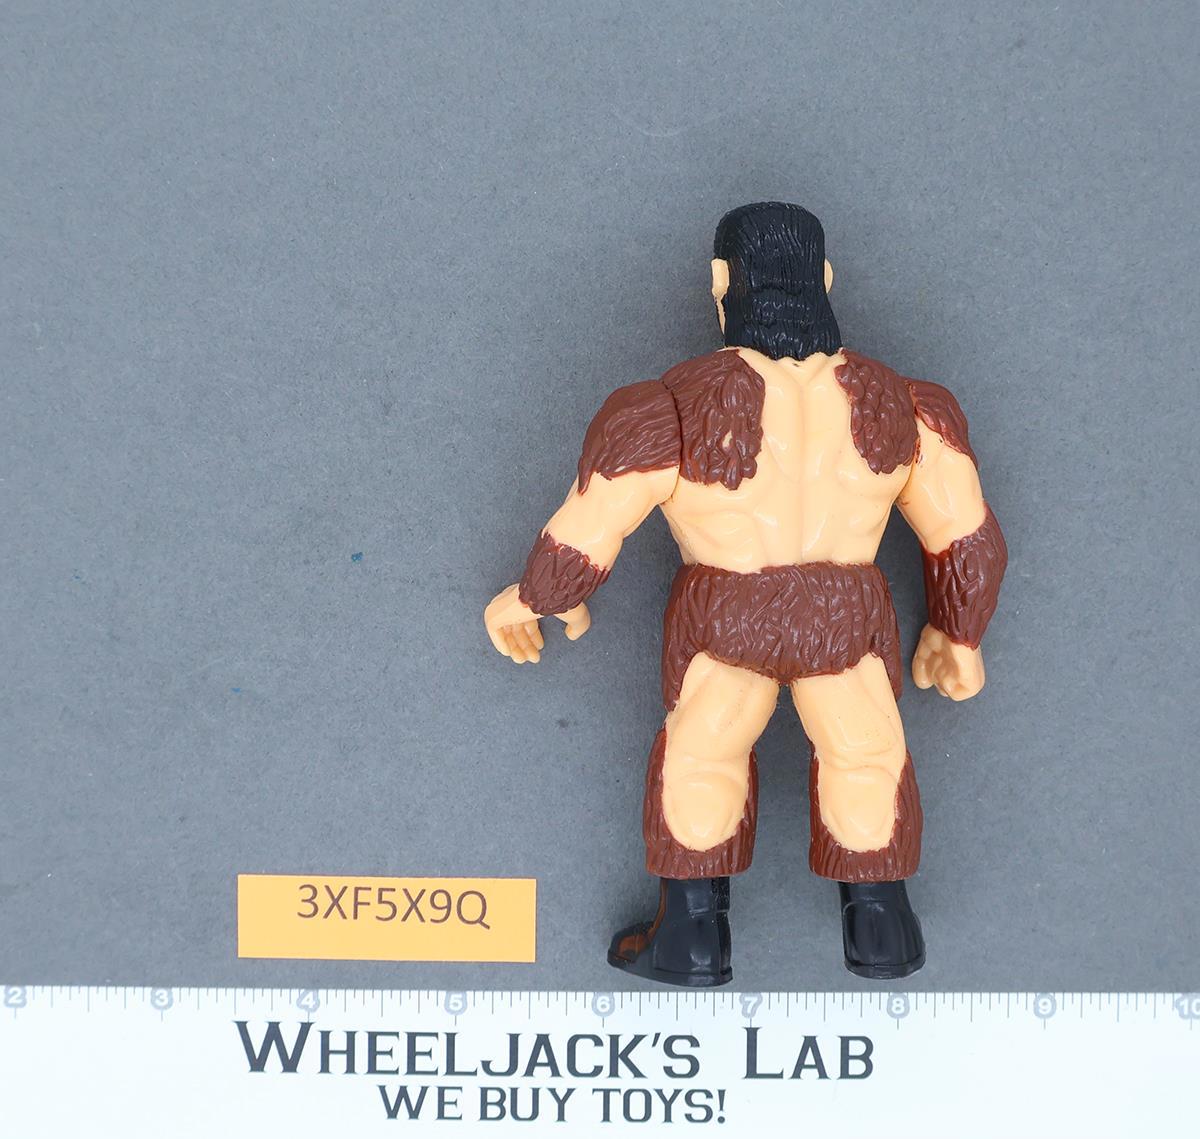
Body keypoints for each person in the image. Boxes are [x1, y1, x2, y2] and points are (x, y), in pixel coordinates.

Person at [485, 202, 1007, 985]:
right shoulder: (902, 403)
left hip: (728, 615)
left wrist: (538, 595)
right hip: (844, 615)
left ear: (721, 283)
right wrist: (958, 630)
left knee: (704, 751)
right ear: (824, 279)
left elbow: (596, 518)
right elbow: (964, 532)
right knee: (867, 751)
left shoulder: (673, 404)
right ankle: (883, 930)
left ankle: (691, 938)